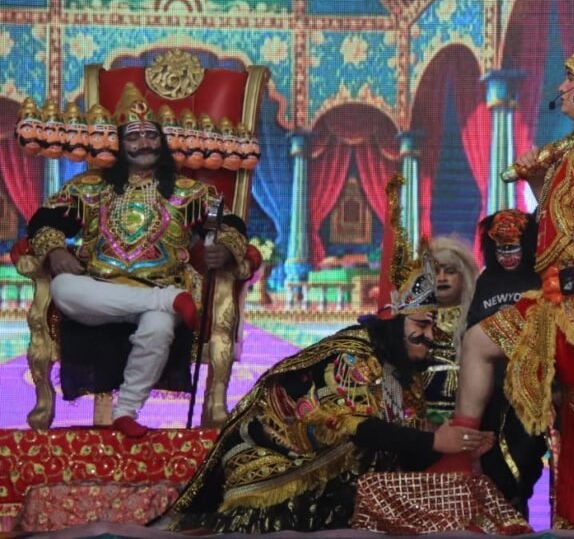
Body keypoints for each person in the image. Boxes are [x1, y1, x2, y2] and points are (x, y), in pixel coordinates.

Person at [433, 13, 574, 535]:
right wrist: (537, 184)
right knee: (481, 340)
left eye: (569, 81)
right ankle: (460, 458)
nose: (560, 89)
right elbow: (557, 223)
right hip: (557, 300)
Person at [161, 253, 497, 533]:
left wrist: (459, 447)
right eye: (421, 324)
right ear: (396, 323)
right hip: (275, 473)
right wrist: (434, 442)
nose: (429, 336)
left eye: (432, 326)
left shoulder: (403, 374)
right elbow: (350, 426)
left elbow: (399, 450)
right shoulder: (354, 352)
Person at [25, 84, 249, 438]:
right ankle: (166, 301)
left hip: (160, 284)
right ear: (119, 144)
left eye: (150, 136)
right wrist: (56, 250)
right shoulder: (89, 188)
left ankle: (126, 411)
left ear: (161, 142)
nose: (144, 143)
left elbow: (230, 224)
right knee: (63, 287)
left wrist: (225, 247)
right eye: (133, 137)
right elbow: (44, 220)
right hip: (100, 292)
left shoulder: (189, 193)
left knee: (158, 328)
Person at [466, 209, 546, 516]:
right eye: (501, 249)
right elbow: (472, 329)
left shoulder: (539, 277)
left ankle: (518, 509)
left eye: (513, 248)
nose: (507, 256)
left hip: (532, 387)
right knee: (491, 458)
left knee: (525, 457)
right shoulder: (486, 281)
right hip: (491, 389)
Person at [423, 236, 480, 423]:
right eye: (435, 271)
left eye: (450, 271)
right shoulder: (415, 319)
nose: (441, 278)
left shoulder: (477, 317)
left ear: (464, 277)